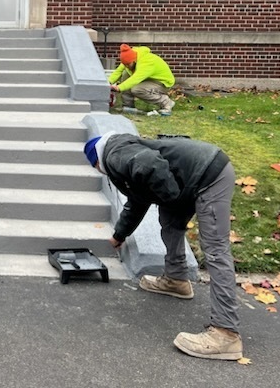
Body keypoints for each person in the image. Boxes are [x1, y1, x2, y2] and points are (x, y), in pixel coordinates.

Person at [84, 132, 242, 361]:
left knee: (216, 250)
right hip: (192, 175)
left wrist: (172, 197)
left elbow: (148, 164)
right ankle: (176, 280)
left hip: (209, 174)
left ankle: (226, 333)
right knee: (170, 224)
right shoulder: (121, 151)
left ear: (96, 162)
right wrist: (120, 235)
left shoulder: (113, 155)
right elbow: (138, 200)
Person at [109, 43, 176, 115]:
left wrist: (118, 88)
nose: (127, 66)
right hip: (148, 79)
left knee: (137, 89)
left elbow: (135, 79)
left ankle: (167, 103)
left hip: (162, 83)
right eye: (125, 64)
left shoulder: (147, 62)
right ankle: (128, 106)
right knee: (125, 73)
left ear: (134, 60)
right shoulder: (129, 59)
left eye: (128, 64)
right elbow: (118, 72)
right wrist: (108, 83)